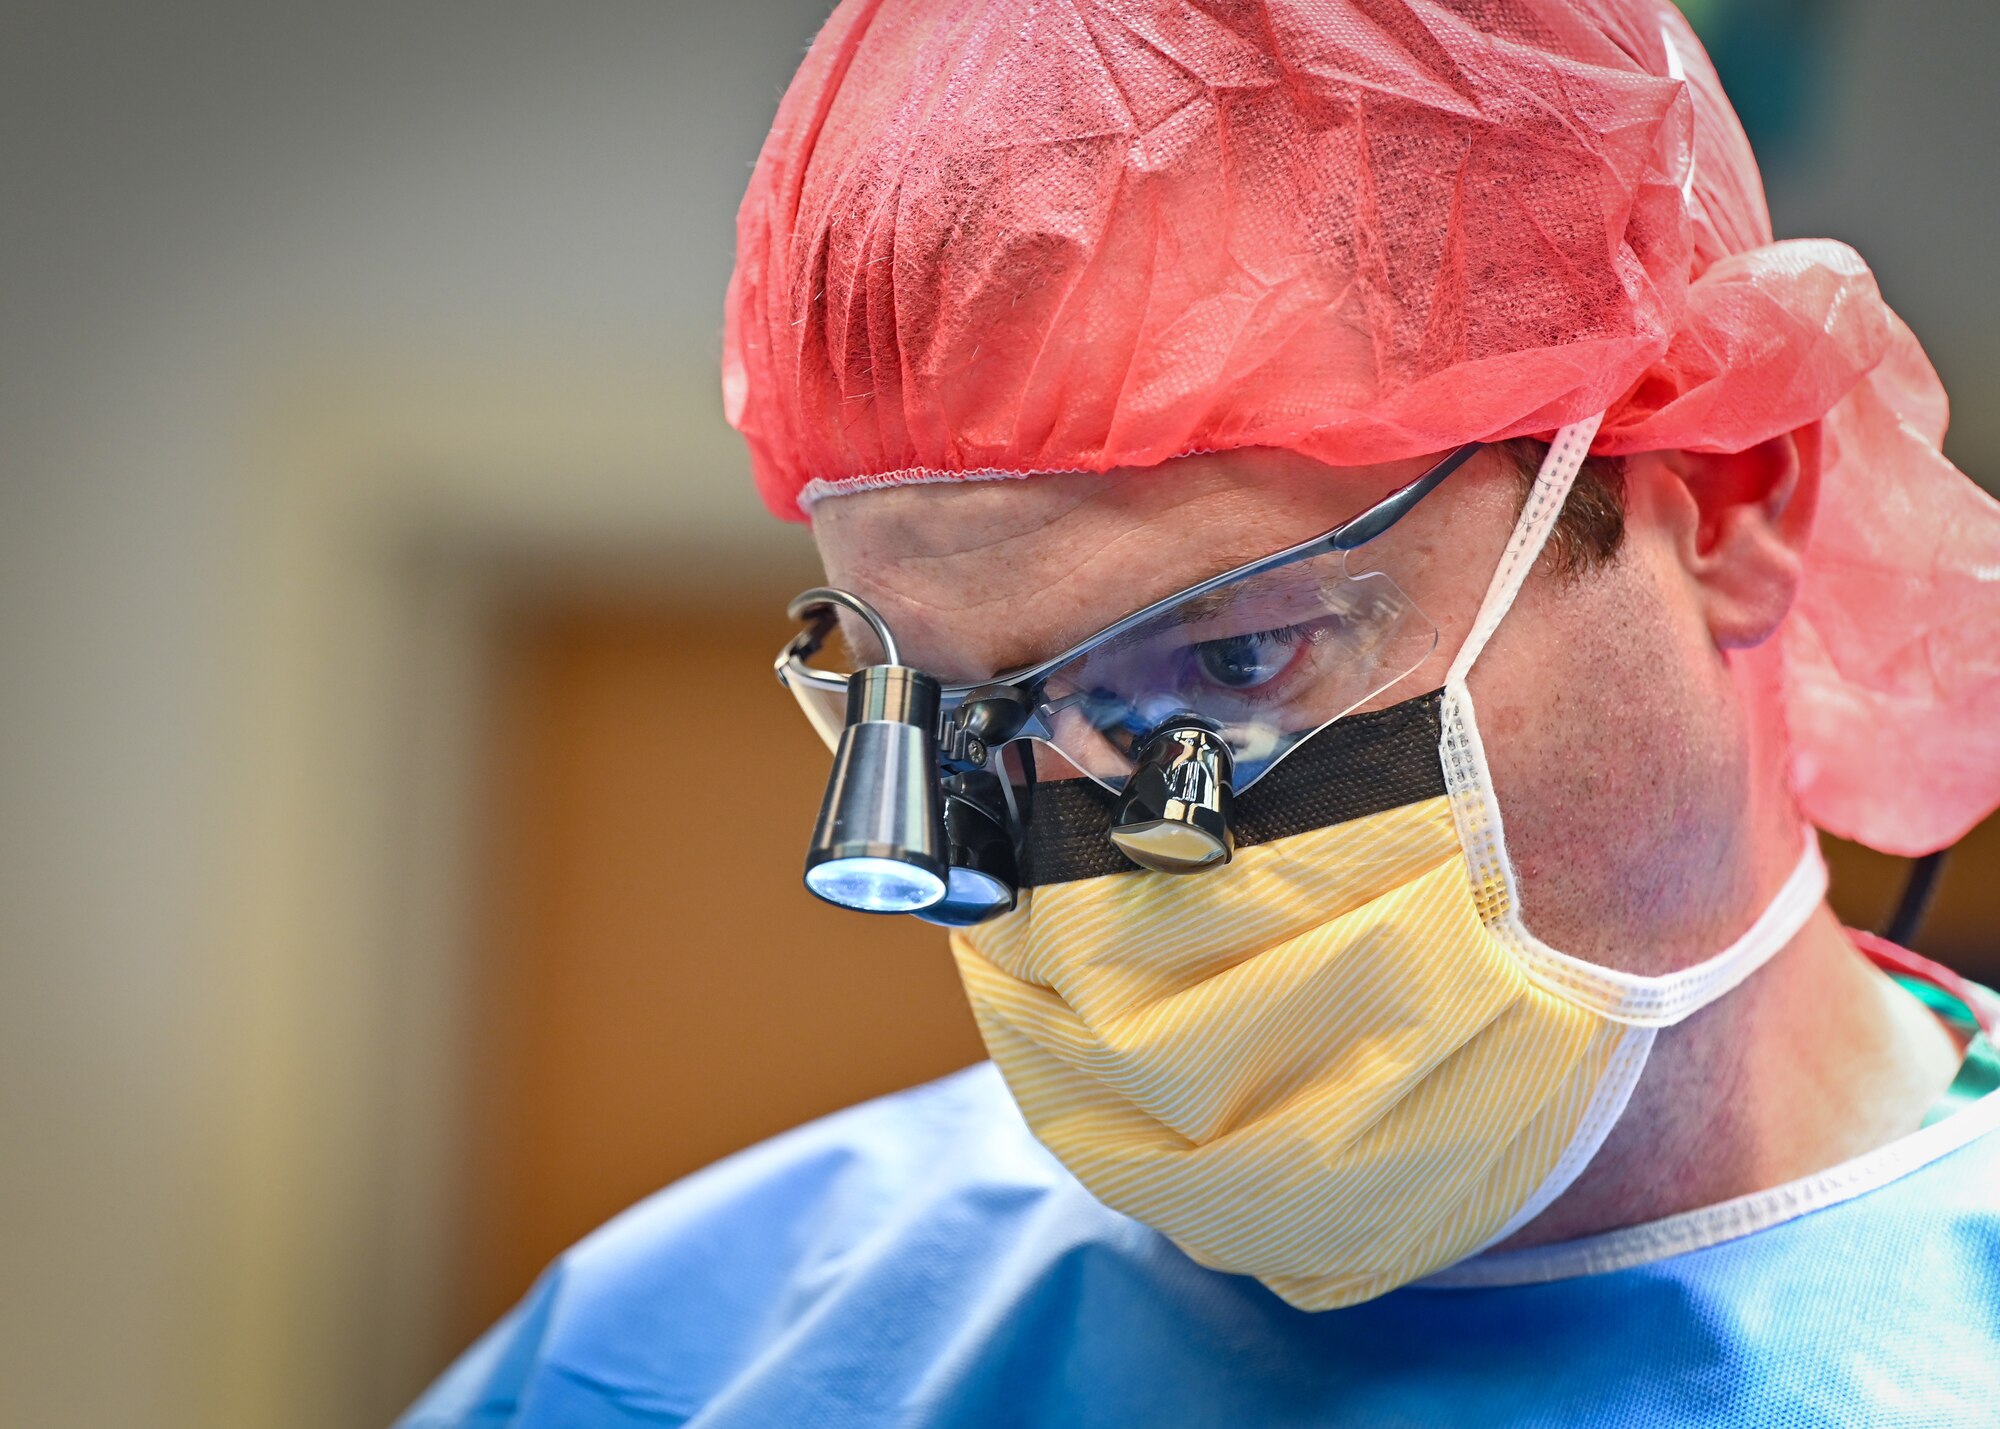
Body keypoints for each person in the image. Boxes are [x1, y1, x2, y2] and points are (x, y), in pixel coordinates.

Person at [401, 2, 2000, 1423]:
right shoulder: (703, 1349)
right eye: (961, 713)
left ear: (1722, 507)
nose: (1096, 864)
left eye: (1234, 662)